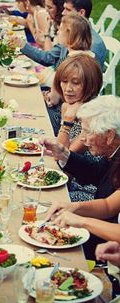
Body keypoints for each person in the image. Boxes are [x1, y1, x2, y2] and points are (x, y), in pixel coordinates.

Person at [42, 95, 120, 259]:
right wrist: (64, 154)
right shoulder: (114, 152)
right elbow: (107, 203)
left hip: (107, 246)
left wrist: (81, 220)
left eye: (88, 131)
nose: (82, 138)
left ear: (110, 135)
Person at [15, 0, 106, 70]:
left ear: (81, 13)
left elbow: (82, 85)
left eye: (68, 9)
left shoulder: (93, 45)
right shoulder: (70, 33)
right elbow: (49, 58)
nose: (63, 13)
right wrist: (21, 44)